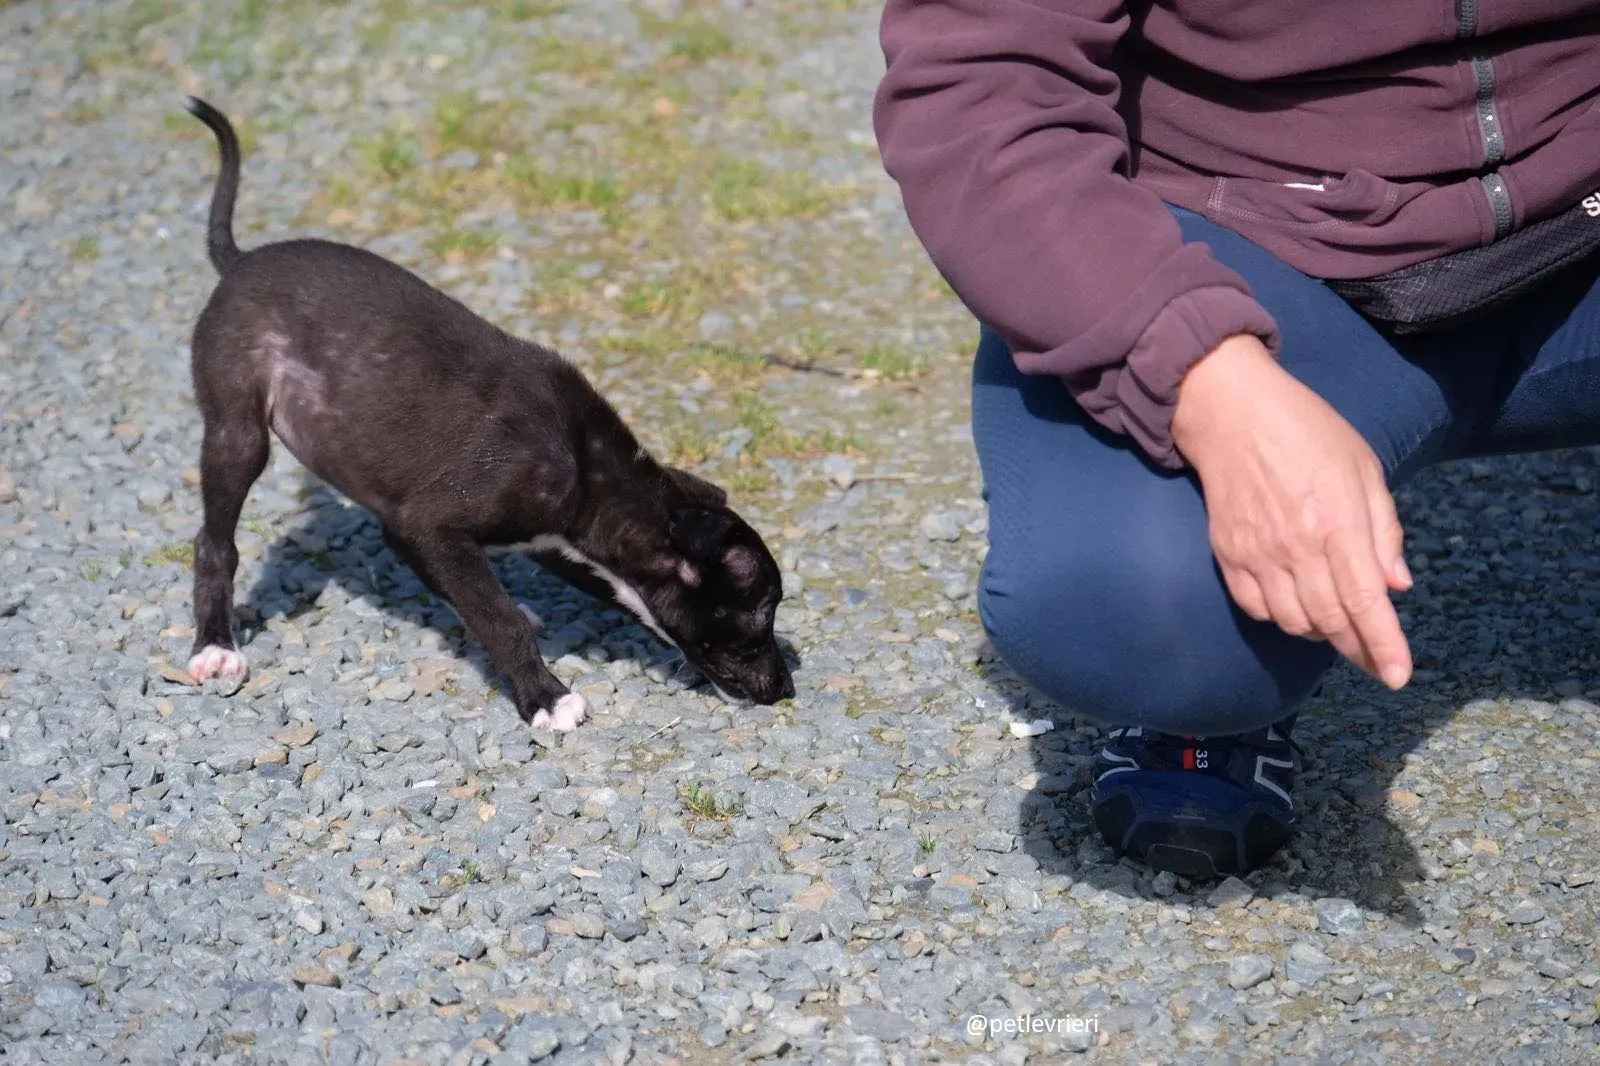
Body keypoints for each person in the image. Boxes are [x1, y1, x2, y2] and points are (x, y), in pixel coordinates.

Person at [874, 0, 1600, 877]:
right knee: (1129, 610)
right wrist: (1200, 377)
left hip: (1582, 217)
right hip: (1255, 239)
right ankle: (1208, 702)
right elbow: (979, 86)